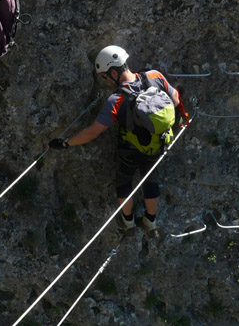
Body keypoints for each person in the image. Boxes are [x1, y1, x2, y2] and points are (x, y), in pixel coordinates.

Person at [48, 46, 182, 236]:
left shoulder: (117, 99)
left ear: (113, 72)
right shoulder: (155, 76)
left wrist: (65, 143)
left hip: (131, 151)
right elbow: (175, 98)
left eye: (105, 76)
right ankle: (150, 222)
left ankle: (128, 222)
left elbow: (93, 132)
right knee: (151, 181)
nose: (106, 81)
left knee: (124, 182)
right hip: (158, 144)